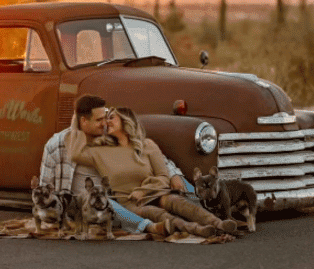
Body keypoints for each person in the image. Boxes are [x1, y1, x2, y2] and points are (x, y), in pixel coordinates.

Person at [68, 106, 237, 237]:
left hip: (155, 192)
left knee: (176, 202)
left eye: (111, 118)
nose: (107, 122)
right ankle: (198, 230)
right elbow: (74, 153)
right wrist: (78, 119)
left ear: (126, 121)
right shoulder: (100, 151)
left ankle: (219, 224)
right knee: (156, 213)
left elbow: (163, 176)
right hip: (129, 202)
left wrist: (143, 191)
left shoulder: (147, 145)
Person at [39, 95, 173, 236]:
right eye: (99, 120)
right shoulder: (56, 145)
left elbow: (150, 154)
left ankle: (176, 224)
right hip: (79, 207)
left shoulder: (112, 135)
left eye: (105, 117)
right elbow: (44, 188)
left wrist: (174, 174)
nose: (105, 123)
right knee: (104, 201)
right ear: (83, 121)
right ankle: (149, 227)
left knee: (108, 201)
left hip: (118, 202)